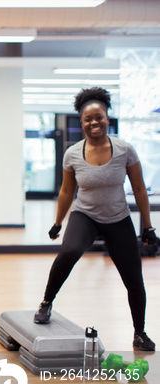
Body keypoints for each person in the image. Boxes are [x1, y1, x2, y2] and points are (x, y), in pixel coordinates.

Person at [34, 87, 157, 351]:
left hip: (118, 217)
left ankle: (139, 333)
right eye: (88, 119)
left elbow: (138, 188)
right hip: (85, 214)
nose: (94, 122)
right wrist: (58, 222)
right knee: (69, 251)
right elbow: (67, 190)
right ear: (82, 122)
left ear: (107, 117)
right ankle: (46, 302)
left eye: (98, 117)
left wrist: (148, 227)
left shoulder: (125, 150)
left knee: (133, 277)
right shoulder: (73, 154)